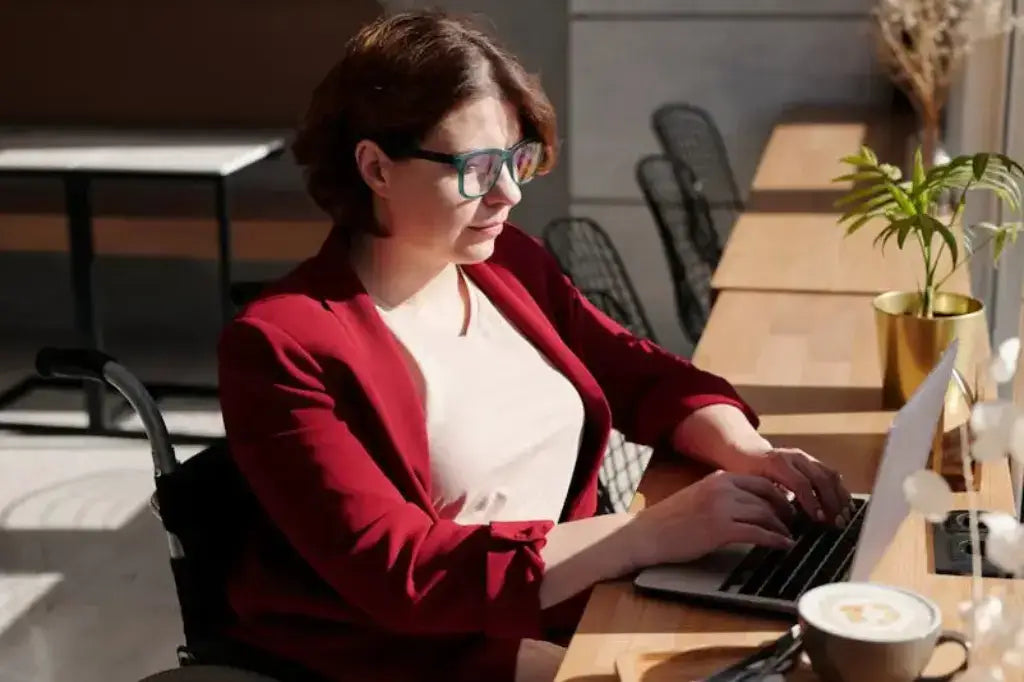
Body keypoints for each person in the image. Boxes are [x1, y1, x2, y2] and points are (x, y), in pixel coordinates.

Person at [216, 10, 852, 682]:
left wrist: (746, 451)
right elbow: (403, 573)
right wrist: (650, 533)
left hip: (568, 604)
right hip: (424, 655)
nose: (510, 193)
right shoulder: (283, 345)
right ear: (375, 167)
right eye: (476, 168)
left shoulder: (505, 264)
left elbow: (640, 374)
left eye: (517, 159)